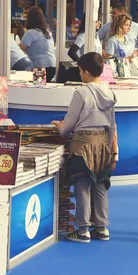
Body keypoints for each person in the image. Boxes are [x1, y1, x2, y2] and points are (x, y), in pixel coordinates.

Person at [51, 52, 118, 243]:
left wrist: (59, 126)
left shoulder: (81, 93)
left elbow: (68, 126)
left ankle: (82, 230)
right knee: (100, 185)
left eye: (80, 71)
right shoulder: (110, 92)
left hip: (82, 145)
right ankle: (102, 227)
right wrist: (114, 152)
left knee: (82, 185)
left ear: (87, 72)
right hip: (103, 143)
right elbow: (113, 125)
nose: (80, 74)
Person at [19, 6, 56, 81]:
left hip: (40, 67)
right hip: (52, 66)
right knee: (43, 89)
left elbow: (20, 49)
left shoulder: (30, 32)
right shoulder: (47, 31)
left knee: (37, 88)